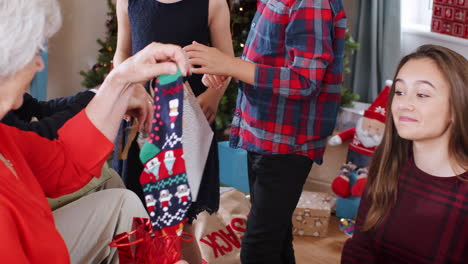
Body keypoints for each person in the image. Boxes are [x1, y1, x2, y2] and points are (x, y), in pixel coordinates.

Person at [0, 0, 190, 263]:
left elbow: (61, 160)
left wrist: (118, 82)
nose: (39, 65)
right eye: (33, 52)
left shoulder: (5, 137)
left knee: (117, 192)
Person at [184, 0, 347, 263]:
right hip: (262, 135)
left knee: (258, 247)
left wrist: (231, 65)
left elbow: (305, 80)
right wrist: (226, 67)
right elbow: (269, 60)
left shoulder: (310, 3)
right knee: (276, 238)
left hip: (287, 145)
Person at [114, 1, 233, 262]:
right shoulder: (128, 2)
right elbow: (122, 54)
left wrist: (213, 96)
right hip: (140, 122)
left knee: (181, 224)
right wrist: (125, 89)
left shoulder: (213, 4)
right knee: (137, 217)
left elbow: (227, 59)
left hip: (189, 126)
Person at [341, 45, 468, 263]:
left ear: (457, 107)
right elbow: (359, 248)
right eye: (399, 92)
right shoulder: (387, 165)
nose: (403, 104)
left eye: (422, 94)